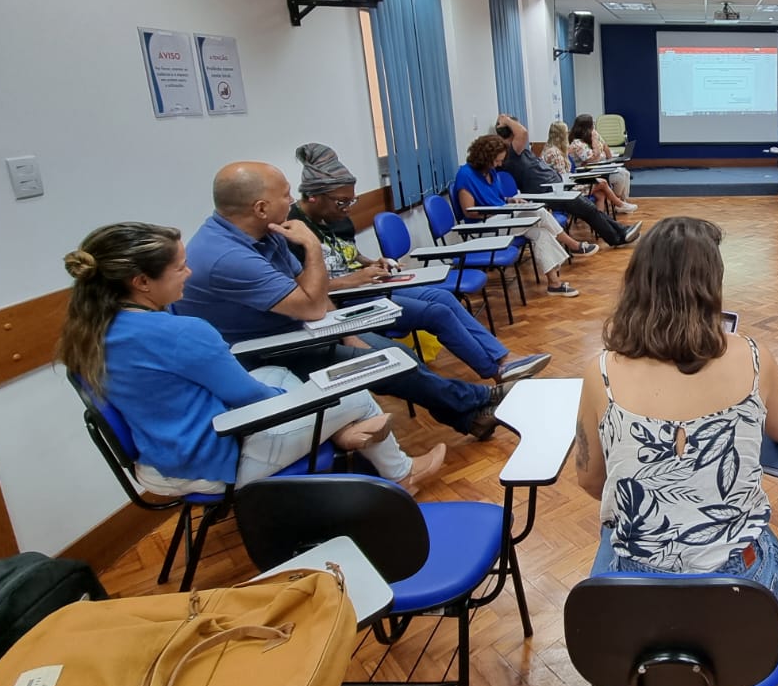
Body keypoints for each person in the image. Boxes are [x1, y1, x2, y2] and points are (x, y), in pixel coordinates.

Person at [58, 222, 445, 495]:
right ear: (141, 282)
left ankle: (347, 439)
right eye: (179, 267)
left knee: (275, 370)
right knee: (355, 394)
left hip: (161, 454)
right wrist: (318, 408)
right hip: (214, 460)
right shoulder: (180, 331)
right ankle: (401, 475)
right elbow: (253, 400)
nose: (189, 273)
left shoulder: (91, 328)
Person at [172, 162, 505, 441]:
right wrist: (313, 247)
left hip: (302, 332)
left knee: (397, 353)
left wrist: (345, 333)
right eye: (285, 194)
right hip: (265, 355)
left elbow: (312, 292)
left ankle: (469, 419)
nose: (292, 200)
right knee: (389, 362)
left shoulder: (264, 233)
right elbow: (312, 304)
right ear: (260, 208)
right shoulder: (226, 256)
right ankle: (478, 399)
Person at [573, 218, 778, 613]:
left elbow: (591, 480)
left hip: (632, 596)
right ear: (711, 289)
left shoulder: (602, 372)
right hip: (744, 591)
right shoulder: (752, 356)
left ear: (638, 285)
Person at [289, 143, 552, 380]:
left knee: (445, 298)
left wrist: (372, 262)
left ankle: (504, 358)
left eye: (352, 200)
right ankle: (495, 370)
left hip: (369, 284)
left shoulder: (336, 217)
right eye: (342, 202)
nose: (347, 208)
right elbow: (303, 293)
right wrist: (353, 279)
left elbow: (349, 254)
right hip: (345, 302)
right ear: (314, 196)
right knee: (437, 313)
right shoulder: (294, 231)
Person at [451, 132, 597, 294]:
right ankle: (573, 245)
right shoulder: (465, 175)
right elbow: (470, 212)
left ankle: (554, 284)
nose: (499, 165)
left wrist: (511, 202)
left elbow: (496, 198)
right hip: (483, 227)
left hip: (502, 218)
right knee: (539, 213)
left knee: (540, 233)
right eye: (497, 160)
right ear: (485, 157)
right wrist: (502, 210)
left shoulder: (490, 172)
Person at [493, 115, 641, 249]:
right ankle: (618, 237)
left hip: (557, 188)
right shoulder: (510, 153)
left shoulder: (519, 152)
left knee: (590, 209)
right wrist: (506, 120)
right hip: (547, 193)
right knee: (589, 209)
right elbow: (523, 132)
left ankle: (621, 232)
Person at [567, 114, 637, 213]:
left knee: (625, 173)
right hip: (587, 174)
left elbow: (604, 154)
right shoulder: (577, 144)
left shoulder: (586, 141)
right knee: (620, 176)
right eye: (592, 126)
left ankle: (621, 202)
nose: (594, 129)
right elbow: (593, 159)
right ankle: (618, 203)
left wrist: (601, 144)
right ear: (587, 128)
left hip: (596, 169)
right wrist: (595, 140)